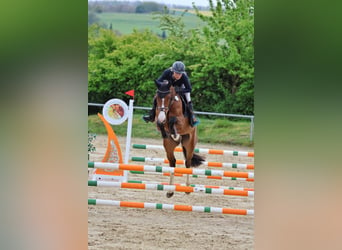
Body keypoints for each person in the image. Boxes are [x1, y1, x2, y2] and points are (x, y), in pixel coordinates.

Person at [142, 61, 199, 126]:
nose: (178, 75)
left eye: (180, 74)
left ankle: (192, 117)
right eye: (176, 73)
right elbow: (159, 81)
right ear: (172, 71)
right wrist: (164, 85)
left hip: (181, 88)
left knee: (188, 99)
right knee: (157, 96)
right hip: (168, 88)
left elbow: (189, 89)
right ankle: (151, 115)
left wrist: (179, 90)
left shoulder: (184, 77)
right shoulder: (167, 72)